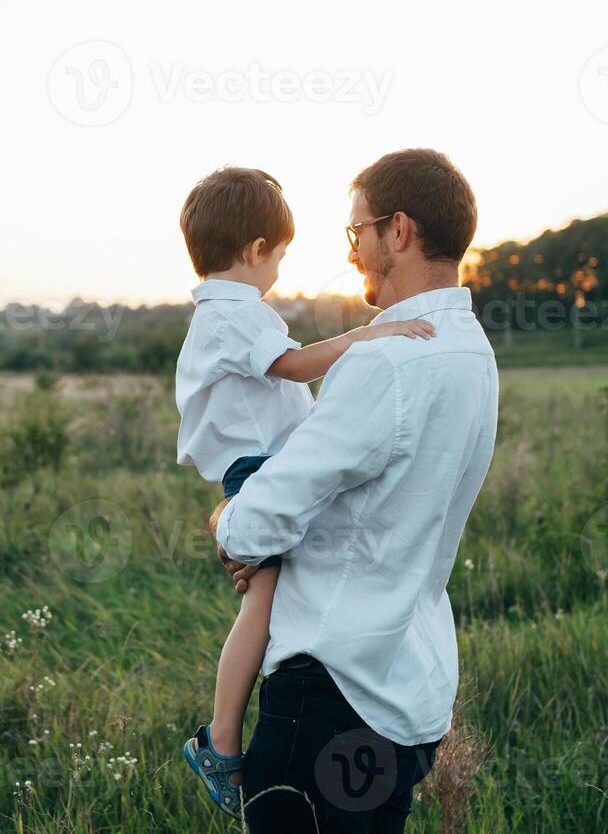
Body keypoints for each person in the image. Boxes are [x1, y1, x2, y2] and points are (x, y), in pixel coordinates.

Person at [213, 149, 499, 833]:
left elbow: (254, 526)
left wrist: (227, 516)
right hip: (410, 692)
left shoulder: (384, 361)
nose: (352, 254)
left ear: (396, 231)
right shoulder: (472, 349)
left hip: (331, 691)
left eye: (356, 233)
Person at [174, 165, 436, 819]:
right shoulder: (234, 313)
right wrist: (365, 338)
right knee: (260, 609)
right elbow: (292, 364)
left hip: (264, 470)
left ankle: (236, 731)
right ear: (254, 251)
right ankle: (222, 738)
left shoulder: (220, 312)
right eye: (280, 256)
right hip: (259, 472)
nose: (279, 271)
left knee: (273, 601)